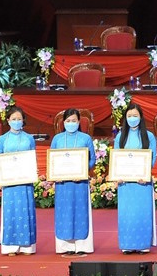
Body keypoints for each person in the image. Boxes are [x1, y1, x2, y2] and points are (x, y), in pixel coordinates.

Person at [50, 108, 97, 254]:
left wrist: (83, 170)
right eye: (68, 121)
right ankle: (66, 246)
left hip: (80, 183)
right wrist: (55, 174)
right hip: (62, 184)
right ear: (63, 122)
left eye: (74, 121)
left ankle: (82, 246)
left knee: (80, 211)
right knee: (64, 212)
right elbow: (52, 160)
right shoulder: (57, 139)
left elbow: (92, 159)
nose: (71, 123)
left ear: (79, 122)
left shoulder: (85, 138)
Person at [114, 103, 157, 253]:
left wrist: (145, 174)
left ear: (141, 117)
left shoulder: (149, 136)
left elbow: (153, 157)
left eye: (135, 116)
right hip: (125, 184)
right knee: (126, 214)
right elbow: (116, 158)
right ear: (125, 118)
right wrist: (118, 175)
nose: (132, 119)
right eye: (129, 116)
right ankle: (127, 245)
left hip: (142, 183)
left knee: (142, 213)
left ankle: (143, 244)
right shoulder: (120, 136)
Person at [0, 106, 37, 256]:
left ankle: (27, 246)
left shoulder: (29, 138)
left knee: (26, 211)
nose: (16, 121)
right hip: (9, 183)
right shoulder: (2, 139)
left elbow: (33, 158)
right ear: (8, 120)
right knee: (11, 212)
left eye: (19, 119)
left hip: (25, 182)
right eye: (13, 119)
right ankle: (10, 247)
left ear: (23, 120)